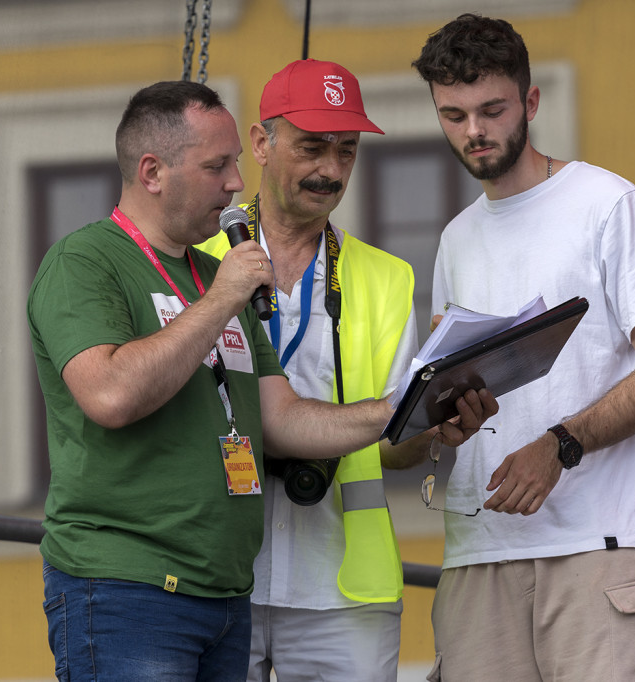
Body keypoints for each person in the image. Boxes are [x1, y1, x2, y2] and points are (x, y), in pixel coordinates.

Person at [27, 80, 495, 682]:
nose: (231, 184)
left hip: (222, 594)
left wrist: (412, 404)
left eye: (233, 166)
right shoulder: (86, 261)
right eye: (217, 165)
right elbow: (111, 394)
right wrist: (223, 296)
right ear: (151, 172)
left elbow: (281, 420)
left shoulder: (216, 272)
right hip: (127, 587)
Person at [410, 13, 635, 682]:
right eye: (453, 115)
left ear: (530, 103)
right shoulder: (456, 238)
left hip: (591, 543)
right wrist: (444, 421)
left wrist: (560, 445)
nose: (474, 131)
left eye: (492, 110)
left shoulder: (607, 203)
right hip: (477, 551)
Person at [200, 59, 487, 682]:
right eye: (311, 147)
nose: (331, 169)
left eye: (346, 150)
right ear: (260, 144)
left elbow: (395, 447)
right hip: (214, 572)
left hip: (344, 588)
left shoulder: (387, 277)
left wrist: (436, 424)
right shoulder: (196, 259)